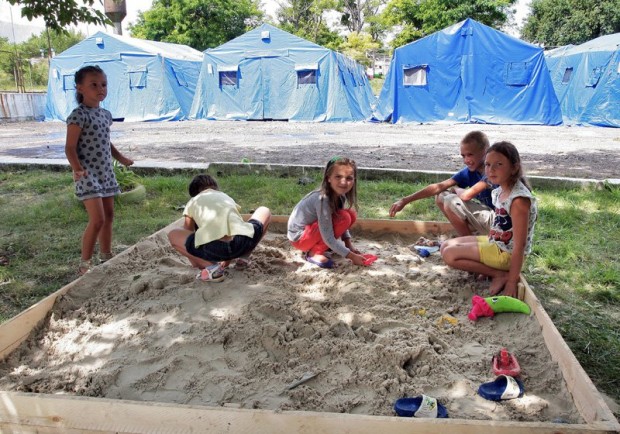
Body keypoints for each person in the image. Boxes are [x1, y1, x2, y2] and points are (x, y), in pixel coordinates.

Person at [440, 142, 537, 298]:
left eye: (499, 164)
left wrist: (512, 281)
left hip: (506, 254)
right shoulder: (499, 190)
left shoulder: (518, 200)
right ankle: (490, 269)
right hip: (496, 242)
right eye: (487, 164)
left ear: (514, 167)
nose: (491, 170)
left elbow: (520, 245)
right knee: (445, 245)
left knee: (449, 255)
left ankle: (499, 274)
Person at [65, 65, 134, 275]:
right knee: (97, 220)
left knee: (109, 216)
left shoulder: (105, 115)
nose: (100, 89)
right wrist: (77, 169)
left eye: (103, 84)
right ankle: (85, 264)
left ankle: (106, 255)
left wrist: (120, 158)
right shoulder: (78, 115)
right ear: (80, 88)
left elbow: (106, 142)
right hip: (87, 174)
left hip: (105, 172)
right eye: (93, 85)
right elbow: (69, 147)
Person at [168, 174, 271, 282]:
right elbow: (230, 228)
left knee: (174, 234)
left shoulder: (193, 202)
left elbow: (187, 233)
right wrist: (226, 263)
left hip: (214, 249)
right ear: (215, 188)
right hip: (242, 243)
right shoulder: (226, 197)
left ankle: (212, 268)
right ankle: (243, 258)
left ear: (194, 194)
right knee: (264, 211)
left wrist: (196, 261)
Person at [389, 131, 494, 236]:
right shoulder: (469, 172)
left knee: (450, 200)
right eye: (463, 156)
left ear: (485, 151)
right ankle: (469, 236)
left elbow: (466, 196)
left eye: (470, 155)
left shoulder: (492, 171)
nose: (466, 160)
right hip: (488, 217)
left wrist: (455, 189)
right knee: (441, 195)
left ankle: (468, 241)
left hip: (501, 222)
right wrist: (405, 201)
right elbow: (439, 187)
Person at [288, 156, 367, 268]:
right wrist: (352, 257)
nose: (344, 182)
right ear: (328, 178)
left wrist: (349, 246)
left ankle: (320, 247)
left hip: (312, 232)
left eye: (349, 178)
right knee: (344, 217)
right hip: (299, 238)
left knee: (350, 215)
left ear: (354, 180)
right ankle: (313, 253)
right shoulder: (322, 199)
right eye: (338, 177)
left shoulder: (340, 196)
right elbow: (328, 236)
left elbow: (341, 226)